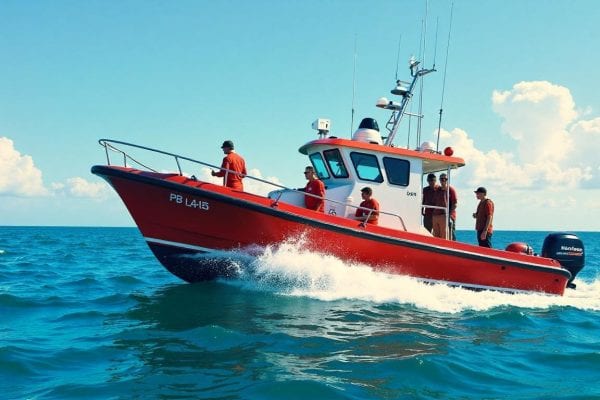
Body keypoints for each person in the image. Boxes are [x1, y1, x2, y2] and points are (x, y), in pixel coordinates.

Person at [439, 173, 458, 240]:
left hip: (450, 215)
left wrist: (449, 214)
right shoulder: (439, 190)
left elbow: (455, 204)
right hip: (441, 216)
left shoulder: (451, 190)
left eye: (445, 179)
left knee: (450, 232)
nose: (444, 180)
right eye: (442, 179)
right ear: (440, 180)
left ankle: (454, 245)